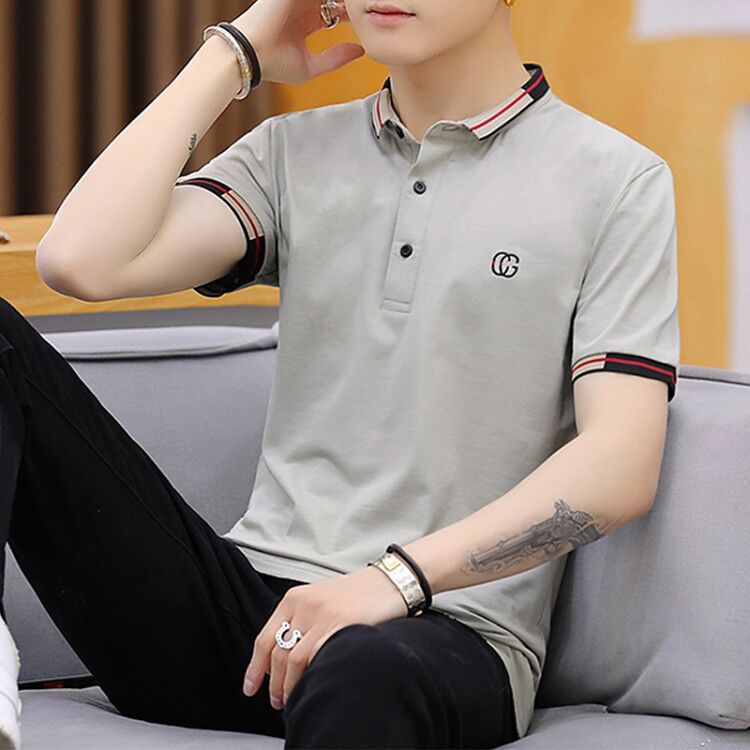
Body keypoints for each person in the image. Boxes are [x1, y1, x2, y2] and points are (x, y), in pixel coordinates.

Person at [0, 0, 680, 747]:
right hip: (249, 622)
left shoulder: (617, 180)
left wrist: (392, 581)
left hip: (443, 629)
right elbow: (79, 261)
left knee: (363, 667)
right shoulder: (292, 153)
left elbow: (620, 465)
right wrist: (235, 52)